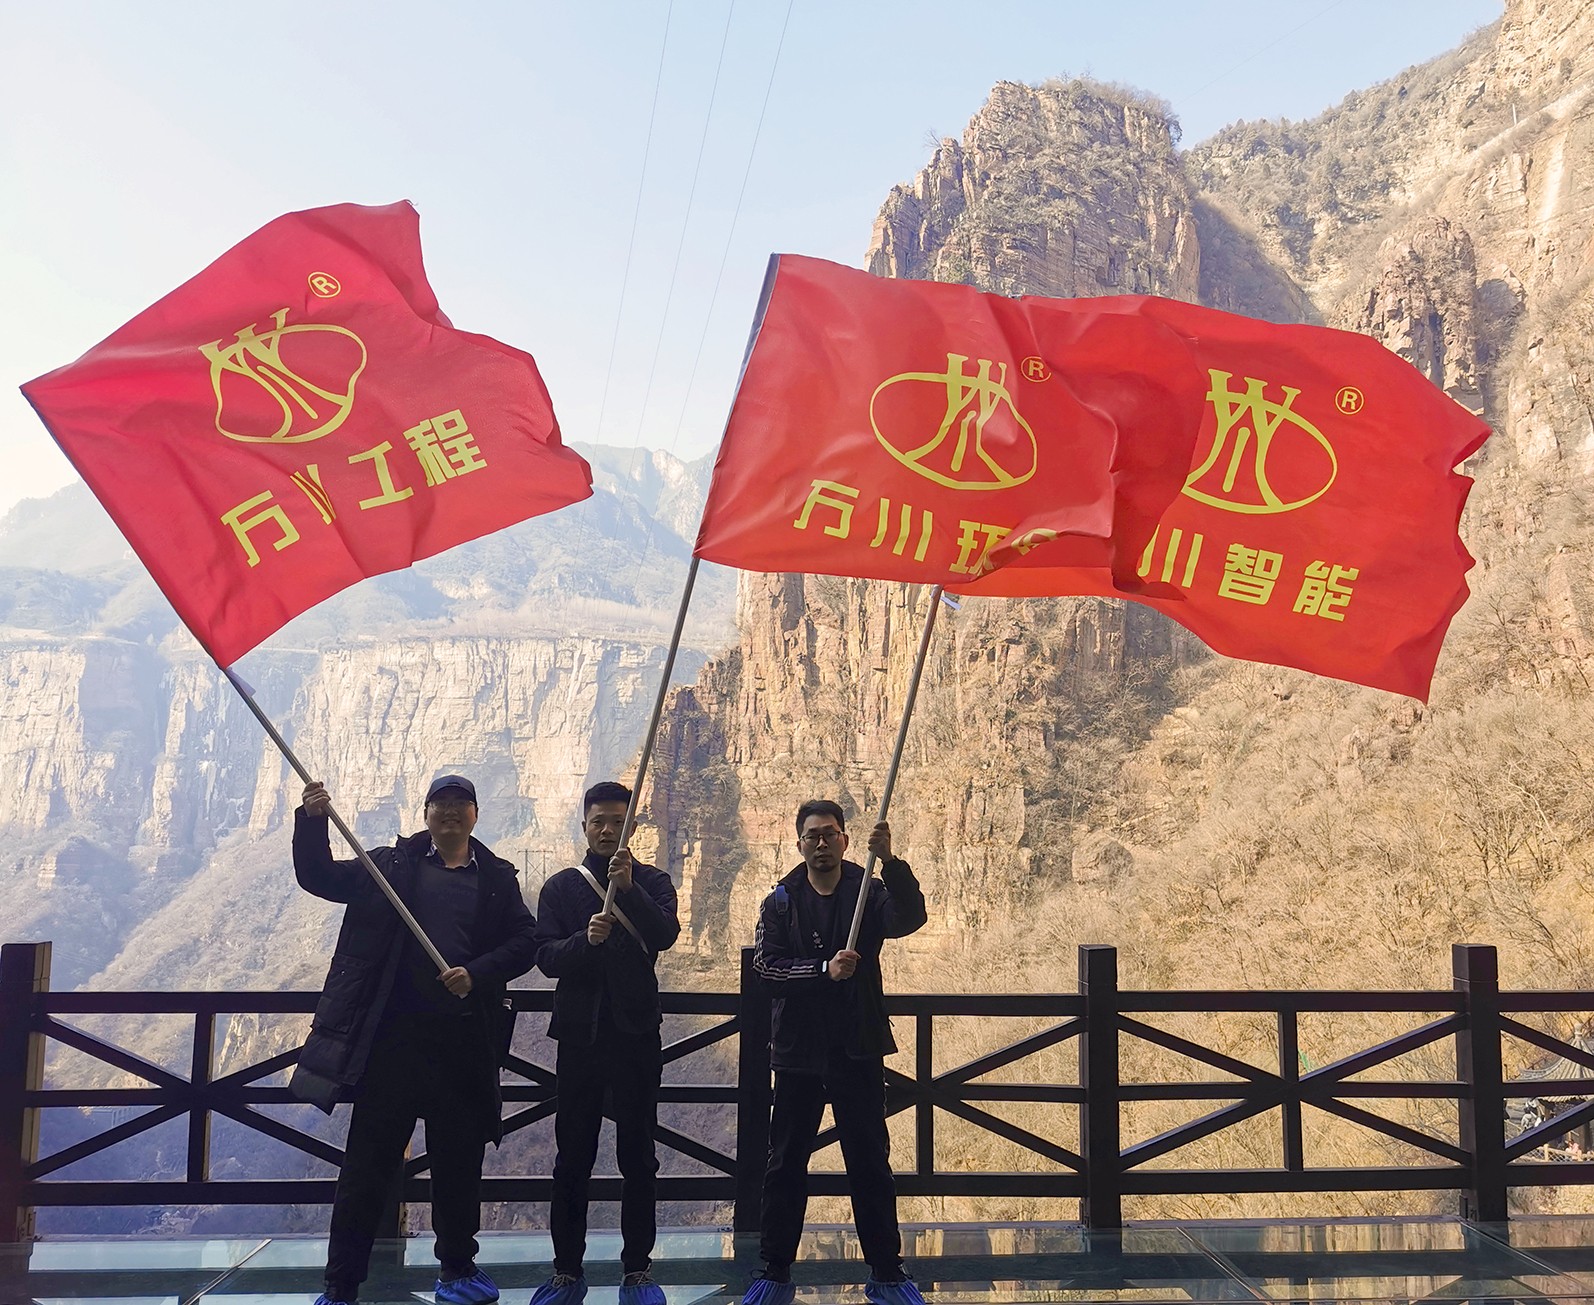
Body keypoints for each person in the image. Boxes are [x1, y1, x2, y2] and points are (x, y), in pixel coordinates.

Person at [291, 774, 538, 1305]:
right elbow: (319, 876)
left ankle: (457, 1270)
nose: (450, 811)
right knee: (366, 1167)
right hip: (390, 1044)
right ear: (425, 813)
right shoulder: (389, 865)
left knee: (458, 1164)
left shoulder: (496, 877)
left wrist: (476, 973)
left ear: (475, 815)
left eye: (460, 803)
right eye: (440, 803)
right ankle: (341, 1286)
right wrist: (311, 823)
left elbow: (526, 941)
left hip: (462, 1044)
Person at [743, 800, 929, 1305]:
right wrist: (822, 970)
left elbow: (910, 918)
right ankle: (775, 1268)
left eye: (830, 833)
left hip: (857, 1045)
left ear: (846, 840)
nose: (821, 843)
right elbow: (766, 969)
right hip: (798, 1051)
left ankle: (886, 1270)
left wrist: (891, 861)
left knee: (869, 1160)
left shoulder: (869, 892)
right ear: (799, 843)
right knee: (786, 1162)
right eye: (812, 835)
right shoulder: (780, 902)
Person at [530, 781, 681, 1305]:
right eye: (599, 821)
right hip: (580, 1037)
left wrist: (630, 888)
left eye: (618, 821)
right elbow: (545, 957)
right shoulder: (560, 888)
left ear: (632, 827)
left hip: (636, 1035)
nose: (607, 830)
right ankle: (566, 1270)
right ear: (585, 826)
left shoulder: (654, 881)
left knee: (638, 1156)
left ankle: (637, 1268)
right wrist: (584, 941)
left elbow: (664, 935)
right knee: (572, 1156)